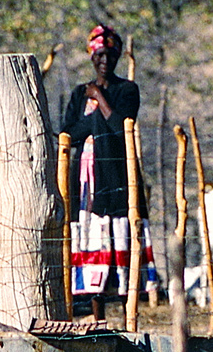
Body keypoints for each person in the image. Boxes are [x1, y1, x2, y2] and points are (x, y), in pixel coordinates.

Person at [61, 24, 151, 323]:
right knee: (90, 237)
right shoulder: (78, 93)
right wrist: (98, 119)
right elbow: (68, 134)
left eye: (109, 56)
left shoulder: (127, 90)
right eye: (99, 55)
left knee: (120, 236)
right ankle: (97, 315)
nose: (104, 61)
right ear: (91, 56)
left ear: (116, 58)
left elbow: (119, 126)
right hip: (85, 179)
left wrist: (99, 98)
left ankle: (128, 313)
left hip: (115, 174)